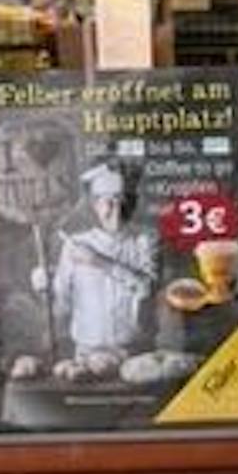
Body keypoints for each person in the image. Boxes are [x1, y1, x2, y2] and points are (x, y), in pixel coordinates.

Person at [39, 162, 158, 378]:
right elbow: (61, 303)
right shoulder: (74, 245)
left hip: (136, 354)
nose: (117, 209)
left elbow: (147, 287)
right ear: (95, 205)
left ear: (133, 203)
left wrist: (99, 261)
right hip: (85, 356)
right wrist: (45, 287)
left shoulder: (145, 240)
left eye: (123, 200)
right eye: (108, 201)